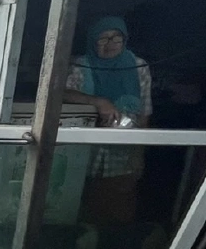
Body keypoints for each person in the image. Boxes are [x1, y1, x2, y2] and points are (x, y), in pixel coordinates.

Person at [63, 16, 154, 224]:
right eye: (102, 39)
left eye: (116, 37)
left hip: (123, 149)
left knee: (118, 205)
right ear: (93, 41)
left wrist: (139, 154)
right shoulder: (81, 65)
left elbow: (144, 112)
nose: (110, 43)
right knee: (80, 204)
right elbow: (60, 93)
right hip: (85, 147)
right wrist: (97, 101)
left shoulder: (138, 66)